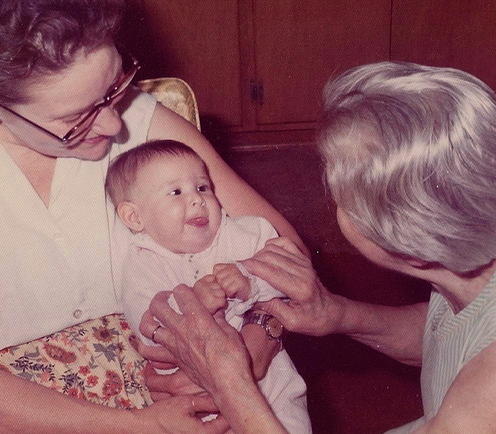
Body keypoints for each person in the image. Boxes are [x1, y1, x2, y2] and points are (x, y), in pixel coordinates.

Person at [143, 61, 496, 433]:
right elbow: (468, 329)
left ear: (415, 251)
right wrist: (338, 315)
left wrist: (229, 377)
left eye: (338, 198)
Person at [0, 0, 304, 431]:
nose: (113, 124)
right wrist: (143, 426)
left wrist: (257, 340)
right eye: (75, 117)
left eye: (113, 87)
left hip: (188, 387)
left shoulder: (137, 119)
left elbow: (282, 250)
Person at [105, 139, 311, 432]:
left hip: (273, 389)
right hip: (201, 404)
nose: (197, 199)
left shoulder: (243, 234)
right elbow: (150, 333)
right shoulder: (143, 264)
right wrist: (193, 304)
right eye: (175, 192)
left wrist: (250, 282)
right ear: (135, 217)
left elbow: (290, 280)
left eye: (202, 187)